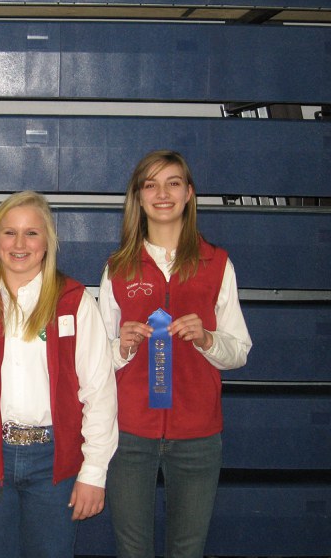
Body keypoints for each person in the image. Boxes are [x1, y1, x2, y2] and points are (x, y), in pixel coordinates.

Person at [0, 190, 118, 558]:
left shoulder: (75, 301)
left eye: (32, 233)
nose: (20, 244)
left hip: (54, 460)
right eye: (9, 232)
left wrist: (93, 471)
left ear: (47, 241)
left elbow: (99, 392)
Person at [98, 150, 252, 558]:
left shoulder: (217, 263)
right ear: (138, 197)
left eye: (173, 183)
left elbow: (239, 351)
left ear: (189, 194)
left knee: (188, 549)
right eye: (150, 184)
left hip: (198, 436)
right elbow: (96, 361)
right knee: (132, 550)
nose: (162, 193)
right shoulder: (117, 267)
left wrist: (207, 340)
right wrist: (123, 347)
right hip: (129, 434)